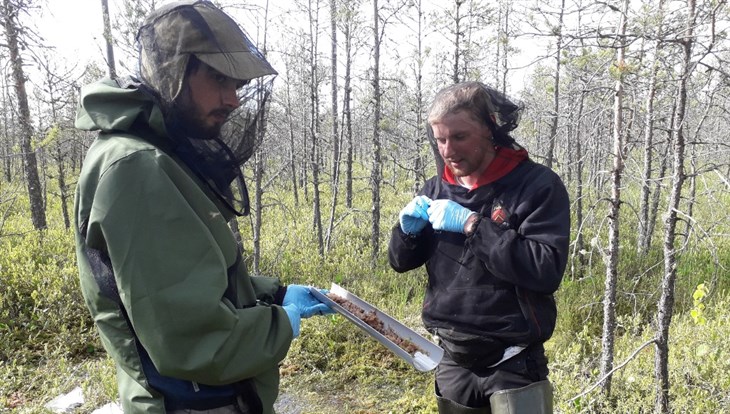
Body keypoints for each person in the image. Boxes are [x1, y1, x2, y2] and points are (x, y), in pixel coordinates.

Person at [73, 1, 333, 413]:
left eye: (237, 85)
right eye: (217, 78)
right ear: (173, 73)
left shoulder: (160, 150)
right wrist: (281, 322)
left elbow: (192, 276)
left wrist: (276, 293)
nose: (232, 99)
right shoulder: (137, 166)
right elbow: (194, 339)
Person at [388, 81, 570, 414]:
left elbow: (545, 271)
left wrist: (474, 226)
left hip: (513, 360)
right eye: (440, 139)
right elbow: (400, 262)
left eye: (459, 137)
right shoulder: (436, 188)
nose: (447, 151)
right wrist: (407, 232)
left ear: (490, 128)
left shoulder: (535, 186)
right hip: (453, 361)